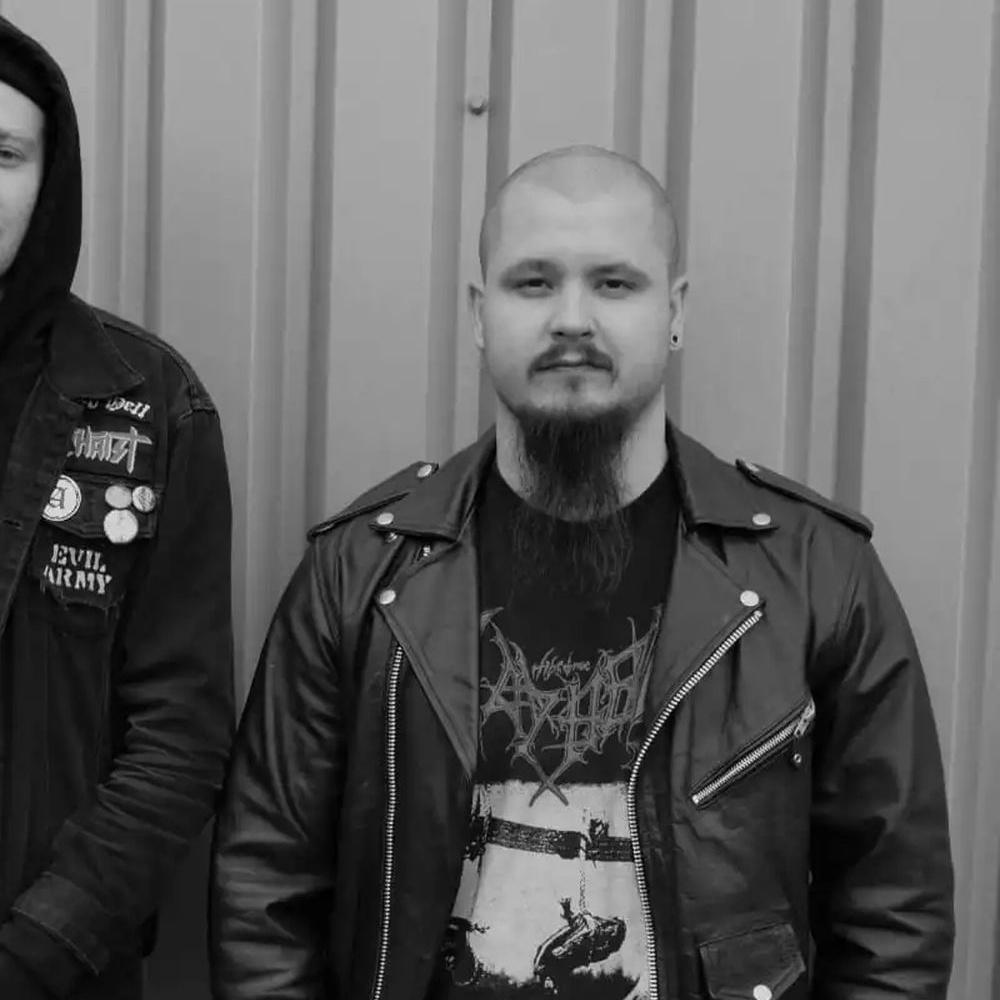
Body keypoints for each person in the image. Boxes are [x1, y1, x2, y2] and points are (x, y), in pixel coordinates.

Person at [210, 145, 954, 999]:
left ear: (674, 310)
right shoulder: (360, 575)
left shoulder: (817, 574)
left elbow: (894, 911)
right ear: (480, 313)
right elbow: (264, 891)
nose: (572, 318)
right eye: (533, 282)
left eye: (614, 283)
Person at [0, 16, 234, 999]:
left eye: (3, 154)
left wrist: (38, 950)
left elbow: (180, 730)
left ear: (50, 179)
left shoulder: (147, 404)